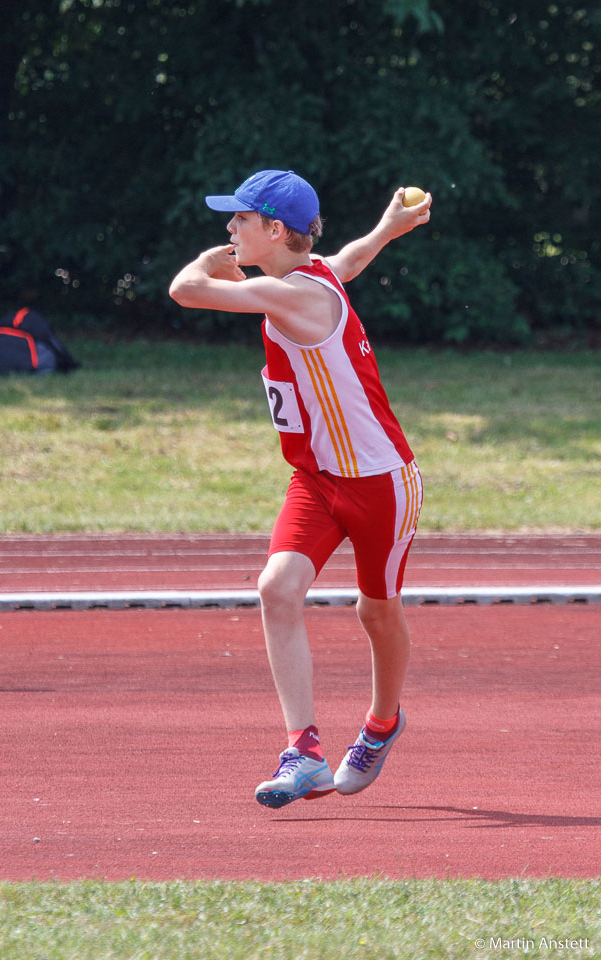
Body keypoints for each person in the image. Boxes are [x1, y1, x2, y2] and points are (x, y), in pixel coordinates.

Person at [169, 169, 431, 809]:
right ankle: (304, 752)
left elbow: (184, 290)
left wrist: (209, 262)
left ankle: (381, 723)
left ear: (274, 229)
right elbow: (348, 259)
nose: (229, 228)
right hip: (317, 479)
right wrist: (388, 228)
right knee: (276, 588)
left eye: (240, 219)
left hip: (380, 482)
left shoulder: (289, 295)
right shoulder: (310, 275)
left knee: (377, 612)